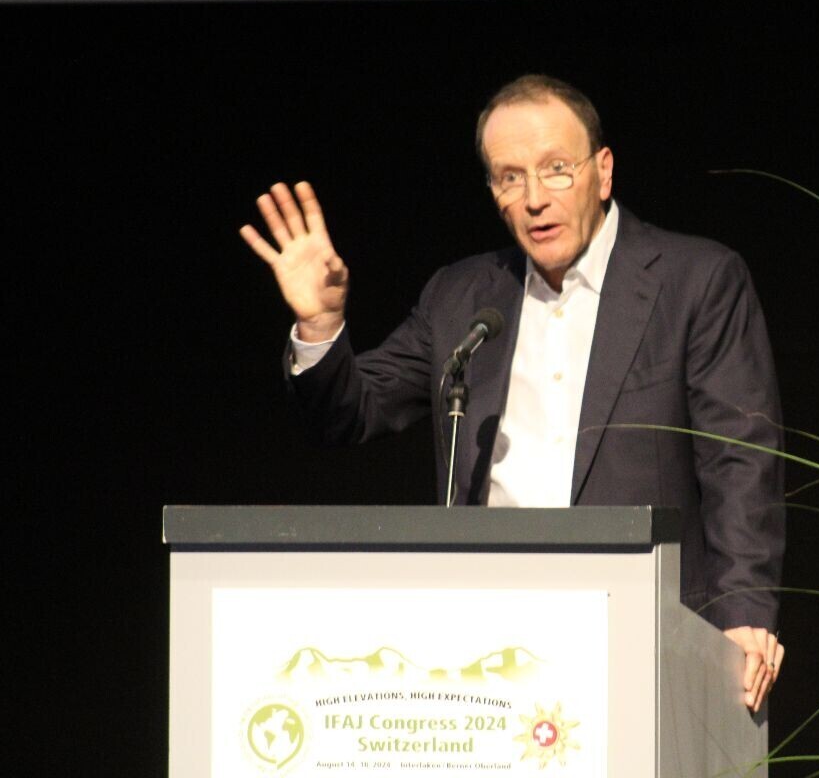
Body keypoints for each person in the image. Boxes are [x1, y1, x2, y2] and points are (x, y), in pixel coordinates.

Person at [240, 75, 785, 712]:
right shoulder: (461, 297)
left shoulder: (695, 281)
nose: (534, 199)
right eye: (509, 177)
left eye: (556, 169)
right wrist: (320, 325)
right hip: (488, 646)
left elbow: (739, 458)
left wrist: (743, 612)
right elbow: (351, 412)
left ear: (602, 172)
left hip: (645, 630)